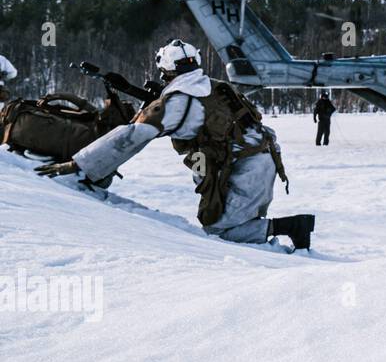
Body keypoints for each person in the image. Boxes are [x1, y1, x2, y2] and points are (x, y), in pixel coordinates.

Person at [35, 40, 316, 251]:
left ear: (166, 71)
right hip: (258, 160)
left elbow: (133, 134)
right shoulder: (214, 86)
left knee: (221, 233)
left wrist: (81, 165)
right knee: (223, 223)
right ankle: (285, 231)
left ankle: (294, 226)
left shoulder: (180, 100)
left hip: (242, 169)